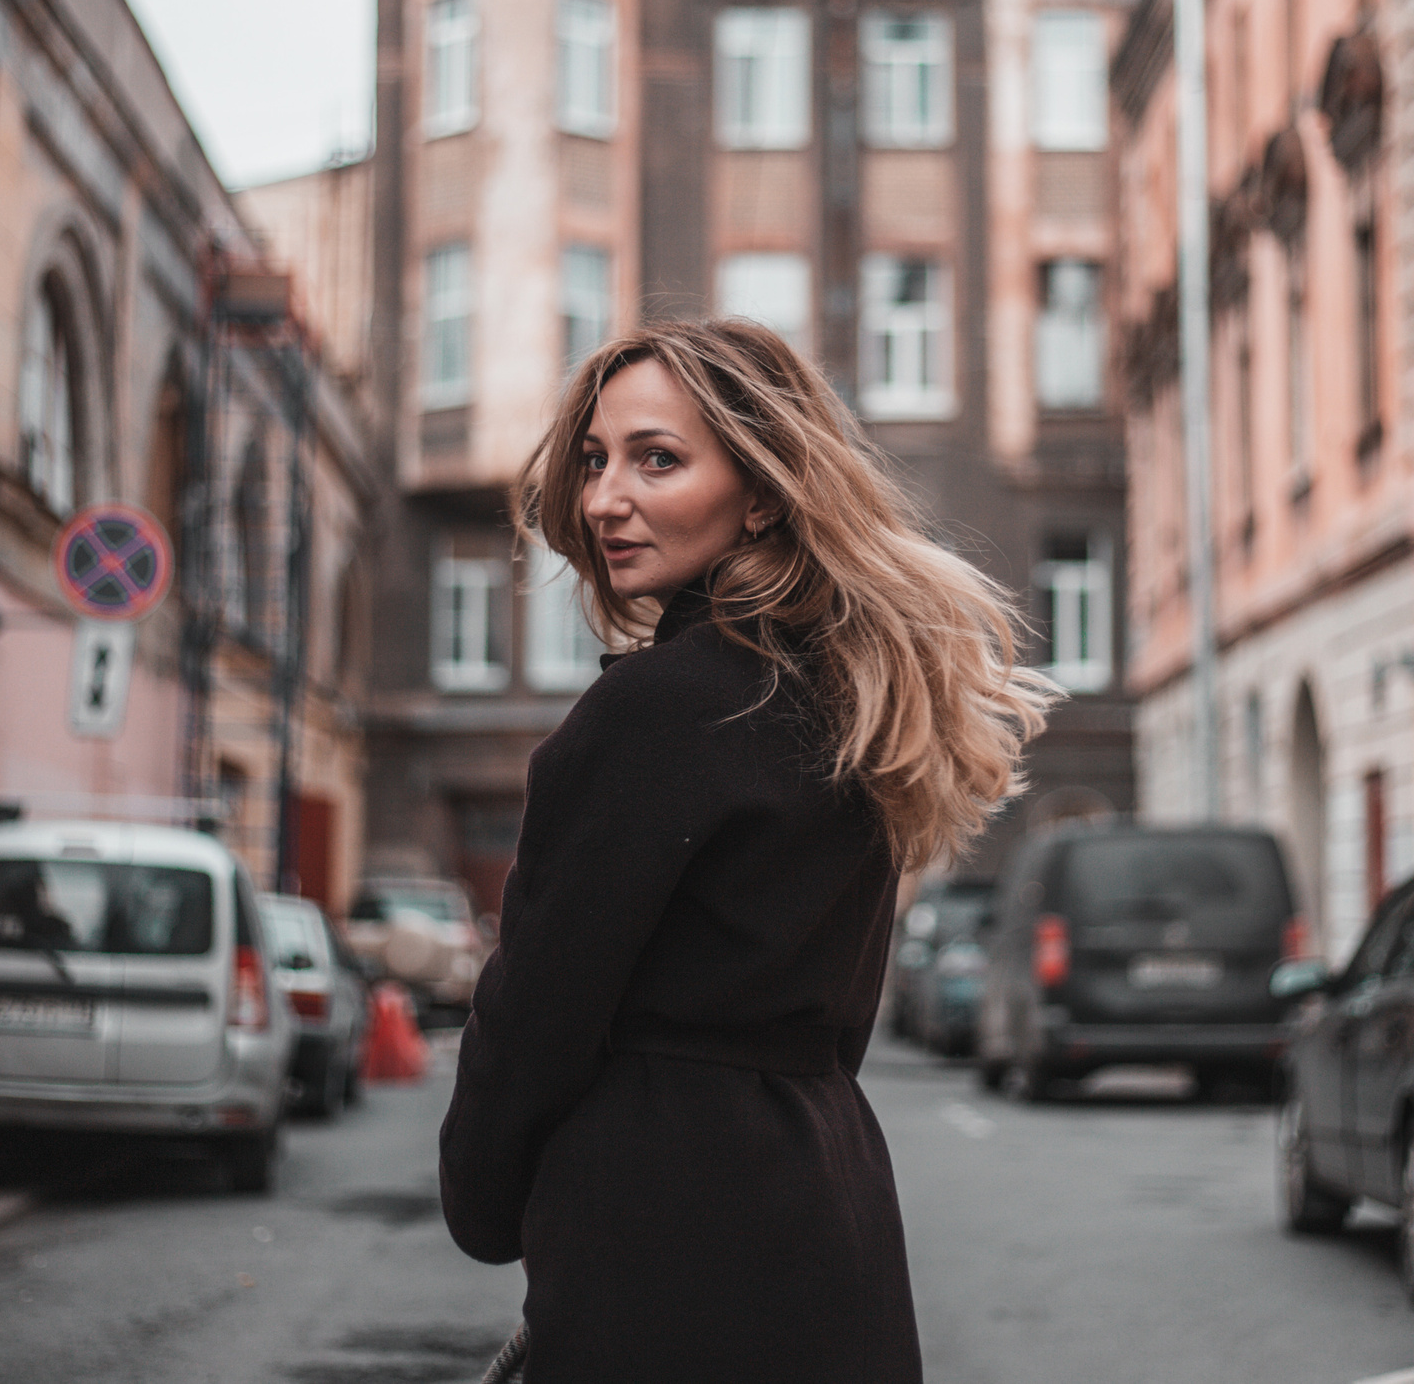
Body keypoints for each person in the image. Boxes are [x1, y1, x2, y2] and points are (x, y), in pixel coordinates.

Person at [440, 319, 1057, 1383]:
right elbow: (842, 1018)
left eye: (657, 459)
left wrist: (487, 1199)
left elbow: (535, 1012)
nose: (604, 499)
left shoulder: (652, 712)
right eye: (595, 459)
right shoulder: (855, 707)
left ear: (762, 492)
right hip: (828, 1199)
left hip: (664, 1229)